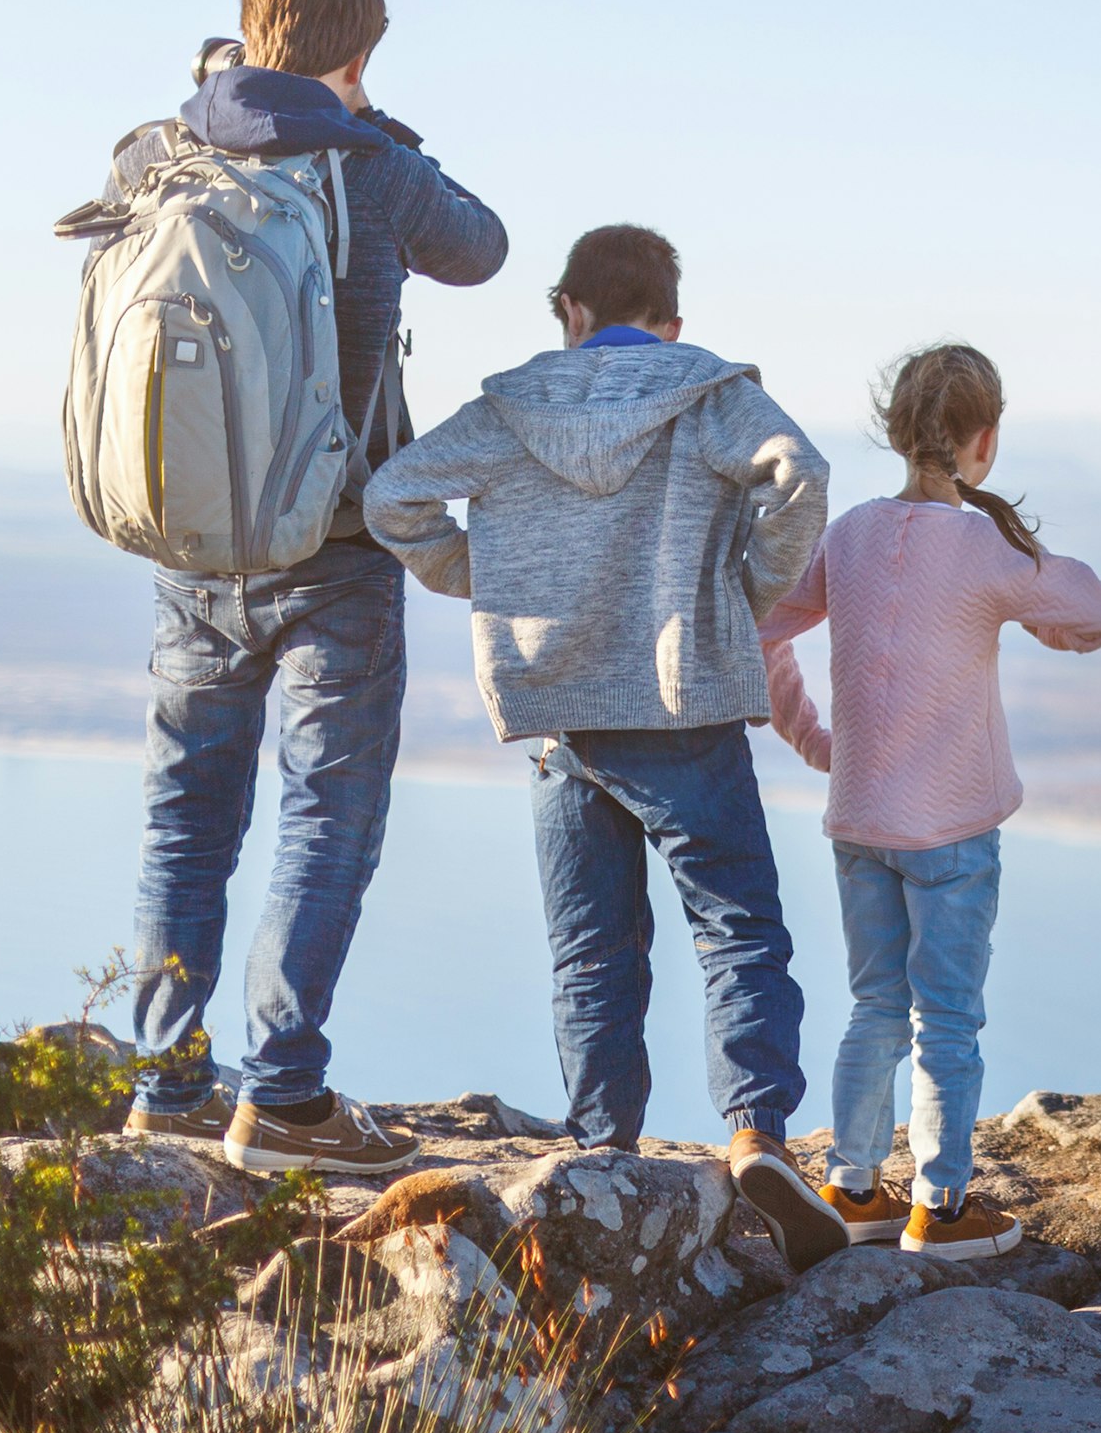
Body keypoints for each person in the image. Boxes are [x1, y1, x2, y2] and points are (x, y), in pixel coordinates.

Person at [365, 225, 851, 1266]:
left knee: (593, 948)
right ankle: (758, 1132)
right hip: (685, 706)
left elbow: (392, 493)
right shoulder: (709, 392)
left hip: (560, 713)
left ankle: (600, 1152)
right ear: (671, 323)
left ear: (568, 311)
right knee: (736, 926)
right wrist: (743, 592)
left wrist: (490, 580)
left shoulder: (511, 409)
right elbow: (799, 472)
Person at [127, 0, 506, 1179]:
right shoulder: (374, 165)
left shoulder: (162, 150)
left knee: (187, 819)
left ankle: (168, 1084)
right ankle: (283, 1098)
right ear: (359, 54)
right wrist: (370, 124)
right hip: (335, 544)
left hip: (196, 546)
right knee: (322, 818)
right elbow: (484, 246)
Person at [758, 344, 1101, 1261]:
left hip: (859, 818)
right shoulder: (986, 547)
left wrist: (818, 744)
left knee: (873, 1007)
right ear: (984, 440)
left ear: (895, 433)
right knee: (947, 1020)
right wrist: (1029, 597)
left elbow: (765, 634)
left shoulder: (848, 535)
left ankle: (850, 1189)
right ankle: (943, 1207)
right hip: (952, 830)